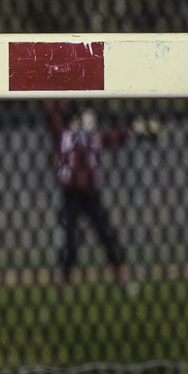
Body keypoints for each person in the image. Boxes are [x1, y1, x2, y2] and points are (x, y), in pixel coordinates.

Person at [46, 102, 129, 285]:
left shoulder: (91, 138)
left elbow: (112, 138)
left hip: (90, 193)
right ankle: (65, 277)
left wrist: (132, 131)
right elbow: (54, 115)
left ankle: (120, 271)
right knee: (71, 239)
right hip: (71, 193)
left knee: (105, 233)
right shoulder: (64, 135)